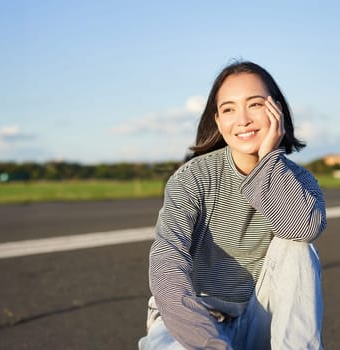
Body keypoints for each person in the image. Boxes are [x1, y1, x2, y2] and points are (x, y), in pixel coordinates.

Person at [139, 61, 326, 350]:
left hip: (257, 320)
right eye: (228, 109)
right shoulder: (193, 178)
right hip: (196, 323)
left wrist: (268, 162)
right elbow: (166, 266)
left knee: (296, 245)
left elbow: (304, 229)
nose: (243, 119)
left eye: (254, 104)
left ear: (277, 109)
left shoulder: (299, 180)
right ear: (217, 121)